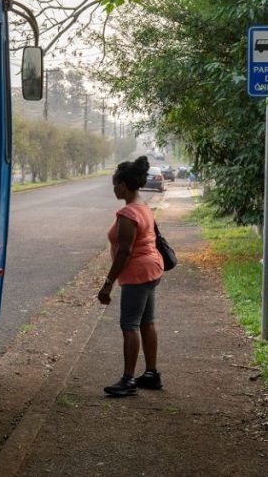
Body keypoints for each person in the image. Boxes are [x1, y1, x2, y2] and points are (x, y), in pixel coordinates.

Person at [97, 155, 165, 396]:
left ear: (123, 185)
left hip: (138, 273)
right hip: (152, 269)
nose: (114, 188)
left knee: (130, 325)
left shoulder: (128, 214)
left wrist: (108, 284)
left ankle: (128, 380)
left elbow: (125, 252)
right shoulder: (142, 206)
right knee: (146, 322)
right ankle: (151, 374)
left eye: (115, 184)